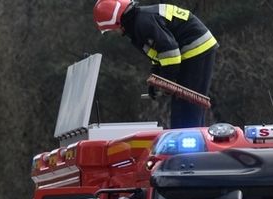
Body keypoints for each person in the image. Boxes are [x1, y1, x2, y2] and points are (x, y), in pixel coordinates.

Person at [93, 0, 218, 129]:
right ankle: (188, 140)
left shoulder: (143, 23)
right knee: (184, 105)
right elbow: (158, 55)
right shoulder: (137, 25)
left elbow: (171, 53)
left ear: (118, 22)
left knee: (188, 105)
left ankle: (193, 144)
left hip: (196, 49)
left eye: (112, 29)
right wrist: (157, 79)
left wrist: (166, 81)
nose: (115, 33)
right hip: (189, 51)